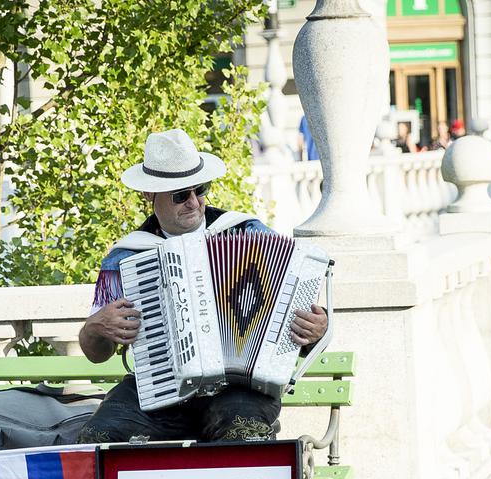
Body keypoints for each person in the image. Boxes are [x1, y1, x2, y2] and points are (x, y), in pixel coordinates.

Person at [76, 128, 330, 444]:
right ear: (149, 196)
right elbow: (96, 354)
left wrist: (316, 329)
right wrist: (94, 329)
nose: (194, 203)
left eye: (201, 189)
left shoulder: (246, 233)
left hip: (240, 390)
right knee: (97, 438)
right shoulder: (127, 256)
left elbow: (299, 316)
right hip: (160, 391)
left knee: (244, 437)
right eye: (181, 195)